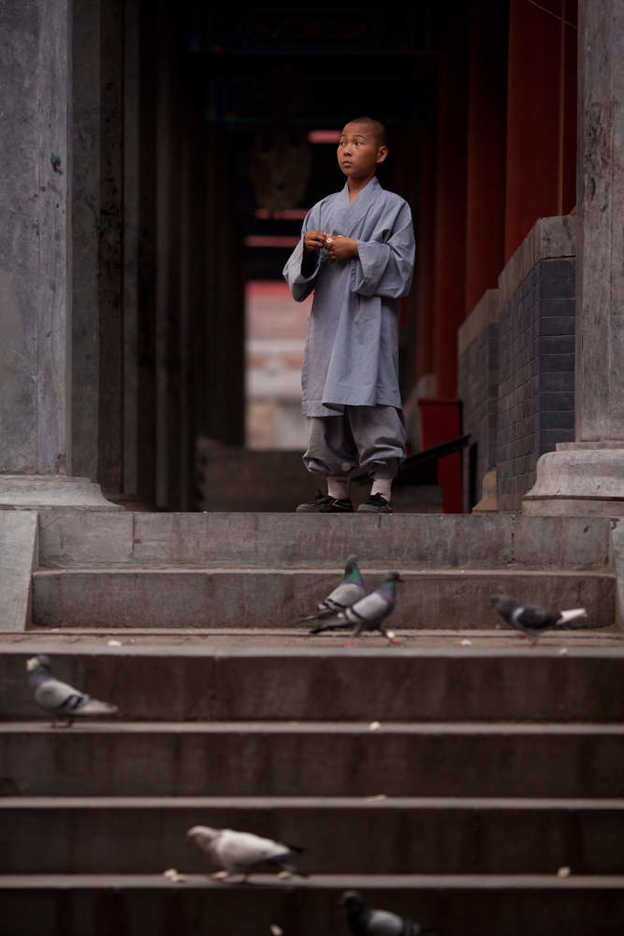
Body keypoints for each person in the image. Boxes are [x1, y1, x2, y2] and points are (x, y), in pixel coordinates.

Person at [283, 116, 415, 513]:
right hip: (328, 321)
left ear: (381, 153)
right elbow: (297, 280)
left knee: (371, 396)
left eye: (358, 142)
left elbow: (402, 266)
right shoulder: (322, 209)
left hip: (368, 322)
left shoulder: (394, 208)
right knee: (326, 405)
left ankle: (380, 490)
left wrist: (358, 249)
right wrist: (308, 250)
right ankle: (336, 492)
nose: (346, 149)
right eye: (342, 142)